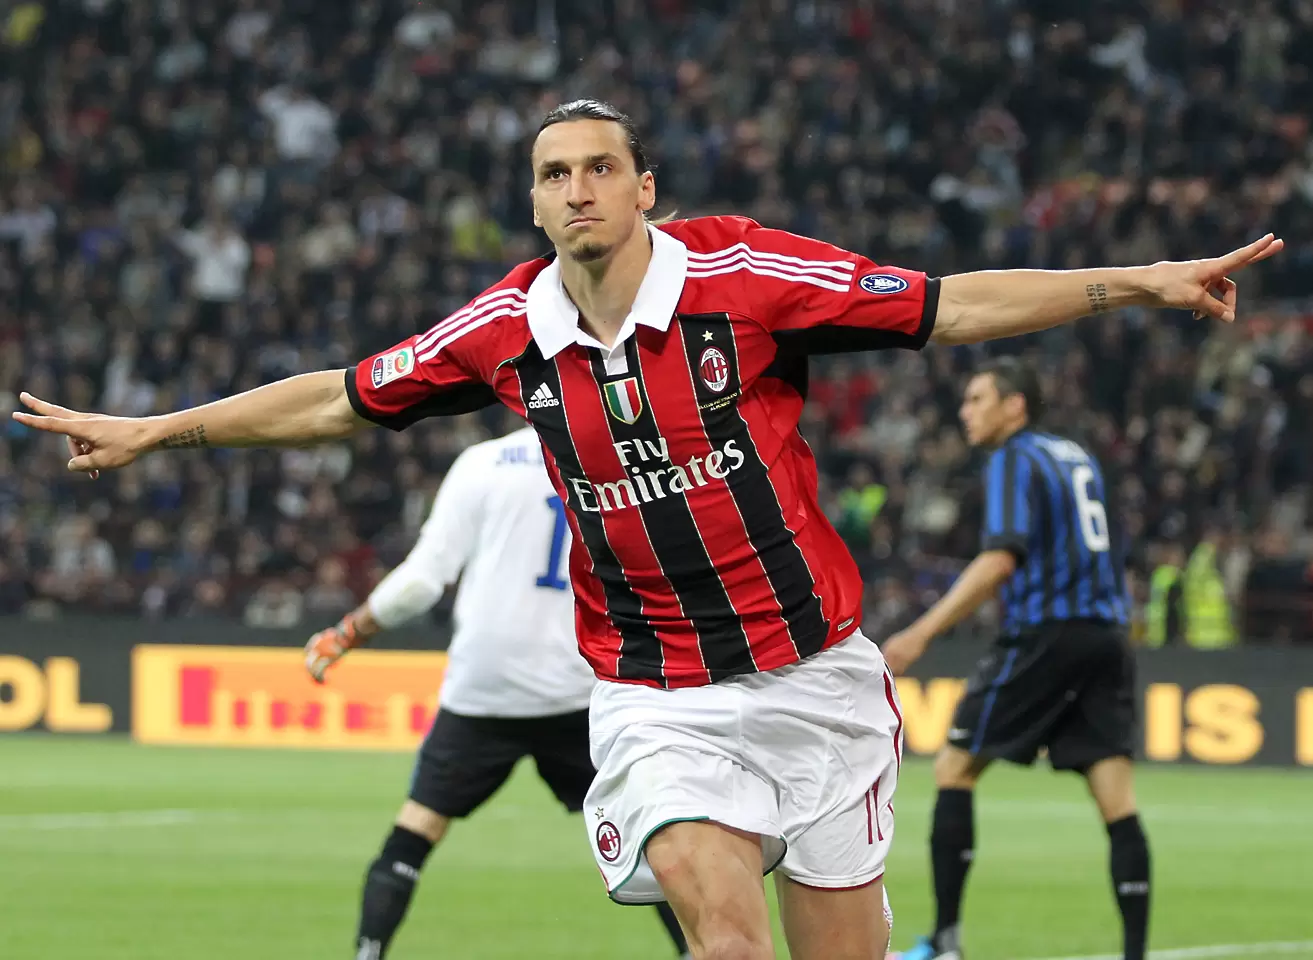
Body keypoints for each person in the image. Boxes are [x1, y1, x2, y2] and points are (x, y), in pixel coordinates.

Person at [13, 98, 1280, 960]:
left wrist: (1136, 281)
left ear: (644, 189)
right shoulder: (504, 329)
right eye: (553, 175)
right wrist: (160, 430)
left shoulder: (743, 277)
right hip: (652, 695)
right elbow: (338, 398)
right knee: (723, 939)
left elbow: (948, 305)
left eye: (600, 168)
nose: (578, 189)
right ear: (532, 203)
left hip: (817, 680)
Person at [302, 425, 690, 960]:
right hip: (577, 686)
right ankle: (699, 950)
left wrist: (349, 631)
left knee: (417, 827)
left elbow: (422, 580)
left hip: (485, 686)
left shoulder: (483, 463)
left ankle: (368, 954)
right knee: (649, 835)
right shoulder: (615, 460)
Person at [883, 357, 1148, 960]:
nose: (965, 411)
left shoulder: (1014, 457)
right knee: (1117, 800)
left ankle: (946, 942)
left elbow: (1001, 557)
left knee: (954, 768)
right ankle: (1136, 953)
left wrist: (921, 632)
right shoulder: (1076, 455)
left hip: (1046, 632)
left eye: (978, 399)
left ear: (1015, 405)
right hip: (1108, 634)